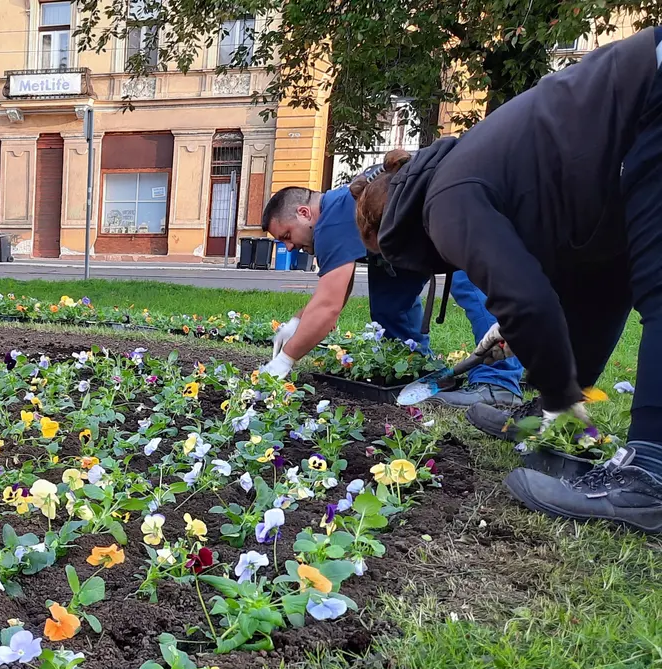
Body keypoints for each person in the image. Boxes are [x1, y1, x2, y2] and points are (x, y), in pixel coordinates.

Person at [350, 27, 662, 533]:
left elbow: (528, 302)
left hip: (649, 93)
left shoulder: (444, 201)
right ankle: (550, 416)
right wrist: (553, 382)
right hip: (637, 107)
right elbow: (591, 283)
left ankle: (649, 472)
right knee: (607, 276)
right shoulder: (467, 172)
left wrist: (553, 376)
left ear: (394, 236)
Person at [260, 178, 523, 408]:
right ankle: (421, 372)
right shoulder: (337, 211)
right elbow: (334, 290)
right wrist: (297, 323)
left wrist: (285, 359)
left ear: (304, 213)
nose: (289, 247)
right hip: (417, 234)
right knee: (390, 306)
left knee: (474, 287)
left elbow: (328, 307)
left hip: (463, 214)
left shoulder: (330, 221)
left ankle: (498, 384)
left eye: (287, 235)